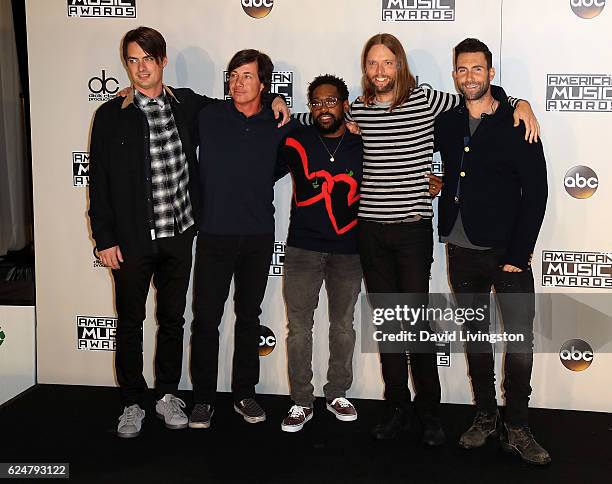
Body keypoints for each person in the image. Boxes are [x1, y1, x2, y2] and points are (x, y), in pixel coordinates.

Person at [343, 33, 539, 445]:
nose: (380, 70)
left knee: (428, 326)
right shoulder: (360, 109)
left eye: (388, 62)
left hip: (429, 234)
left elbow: (484, 103)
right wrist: (279, 104)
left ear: (401, 65)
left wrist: (520, 101)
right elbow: (320, 115)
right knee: (394, 327)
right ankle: (404, 408)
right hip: (386, 234)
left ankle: (449, 415)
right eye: (373, 63)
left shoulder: (435, 103)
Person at [88, 26, 211, 438]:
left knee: (173, 319)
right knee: (130, 322)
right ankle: (132, 402)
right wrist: (104, 238)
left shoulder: (187, 105)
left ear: (162, 60)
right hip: (131, 241)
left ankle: (166, 394)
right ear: (127, 64)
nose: (141, 68)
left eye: (148, 59)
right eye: (132, 60)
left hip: (179, 233)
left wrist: (276, 101)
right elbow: (98, 180)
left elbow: (236, 110)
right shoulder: (109, 116)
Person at [434, 38, 549, 465]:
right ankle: (485, 416)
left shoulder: (518, 123)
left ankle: (517, 424)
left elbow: (536, 192)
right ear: (454, 75)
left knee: (519, 342)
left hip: (508, 253)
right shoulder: (446, 123)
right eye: (462, 70)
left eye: (477, 69)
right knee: (477, 340)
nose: (469, 77)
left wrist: (519, 254)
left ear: (491, 74)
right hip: (460, 251)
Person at [188, 49, 297, 429]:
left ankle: (244, 394)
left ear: (263, 83)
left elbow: (312, 140)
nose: (237, 83)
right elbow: (167, 96)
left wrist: (275, 102)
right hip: (214, 234)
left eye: (247, 76)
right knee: (206, 319)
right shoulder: (210, 115)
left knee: (249, 317)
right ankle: (202, 399)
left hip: (257, 235)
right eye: (233, 75)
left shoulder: (279, 122)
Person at [276, 75, 363, 432]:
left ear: (345, 104)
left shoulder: (363, 142)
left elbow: (396, 168)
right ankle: (301, 400)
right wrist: (273, 101)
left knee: (343, 326)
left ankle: (337, 392)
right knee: (299, 329)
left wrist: (429, 181)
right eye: (316, 103)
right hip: (302, 248)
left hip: (348, 249)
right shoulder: (295, 137)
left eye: (330, 102)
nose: (323, 109)